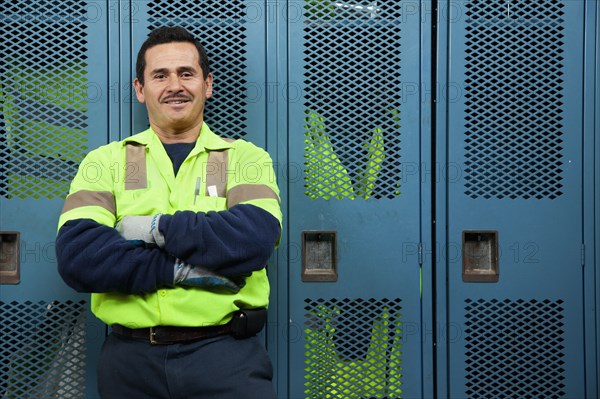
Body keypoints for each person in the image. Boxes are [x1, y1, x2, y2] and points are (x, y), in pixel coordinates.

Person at [55, 26, 282, 399]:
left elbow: (252, 240)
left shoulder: (246, 158)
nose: (174, 85)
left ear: (207, 85)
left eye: (186, 74)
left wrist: (151, 228)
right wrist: (181, 269)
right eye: (160, 75)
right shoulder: (104, 163)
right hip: (130, 365)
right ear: (140, 89)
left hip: (226, 359)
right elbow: (79, 257)